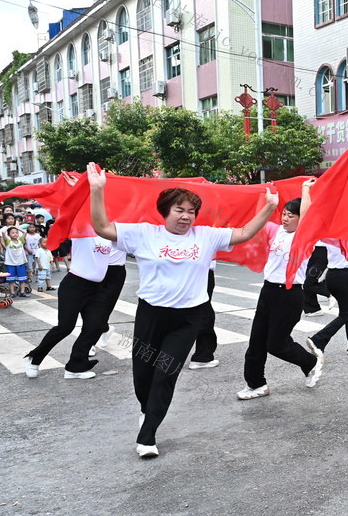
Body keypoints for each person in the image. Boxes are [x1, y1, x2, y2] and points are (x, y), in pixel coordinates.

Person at [87, 163, 277, 458]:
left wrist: (268, 207)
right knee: (143, 375)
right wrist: (97, 189)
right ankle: (146, 409)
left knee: (166, 372)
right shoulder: (144, 234)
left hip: (188, 317)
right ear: (165, 211)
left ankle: (147, 435)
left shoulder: (206, 237)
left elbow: (243, 233)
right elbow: (102, 227)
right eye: (180, 210)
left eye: (191, 211)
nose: (186, 216)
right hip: (151, 314)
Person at [239, 190, 323, 400]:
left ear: (300, 219)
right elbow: (255, 219)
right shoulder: (276, 231)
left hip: (289, 294)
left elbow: (309, 215)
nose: (285, 218)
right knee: (256, 342)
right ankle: (256, 384)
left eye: (290, 215)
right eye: (283, 214)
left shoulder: (304, 237)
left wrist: (305, 189)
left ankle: (310, 362)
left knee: (276, 344)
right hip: (268, 291)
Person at [23, 235, 114, 380]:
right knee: (65, 327)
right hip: (74, 286)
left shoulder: (110, 234)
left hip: (97, 288)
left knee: (95, 326)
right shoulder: (83, 232)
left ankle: (75, 367)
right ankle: (34, 358)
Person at [306, 237, 348, 357]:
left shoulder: (329, 234)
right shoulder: (345, 233)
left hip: (332, 275)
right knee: (346, 313)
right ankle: (318, 340)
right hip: (343, 275)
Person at [187, 259, 220, 369]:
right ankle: (201, 357)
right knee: (204, 312)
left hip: (187, 269)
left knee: (202, 311)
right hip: (201, 270)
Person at [1, 227, 29, 297]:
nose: (15, 234)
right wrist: (8, 227)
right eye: (12, 233)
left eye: (16, 233)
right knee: (11, 280)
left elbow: (25, 232)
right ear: (9, 235)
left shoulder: (21, 240)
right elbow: (3, 233)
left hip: (21, 262)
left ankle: (22, 292)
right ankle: (12, 293)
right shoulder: (8, 241)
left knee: (22, 279)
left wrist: (17, 228)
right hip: (10, 263)